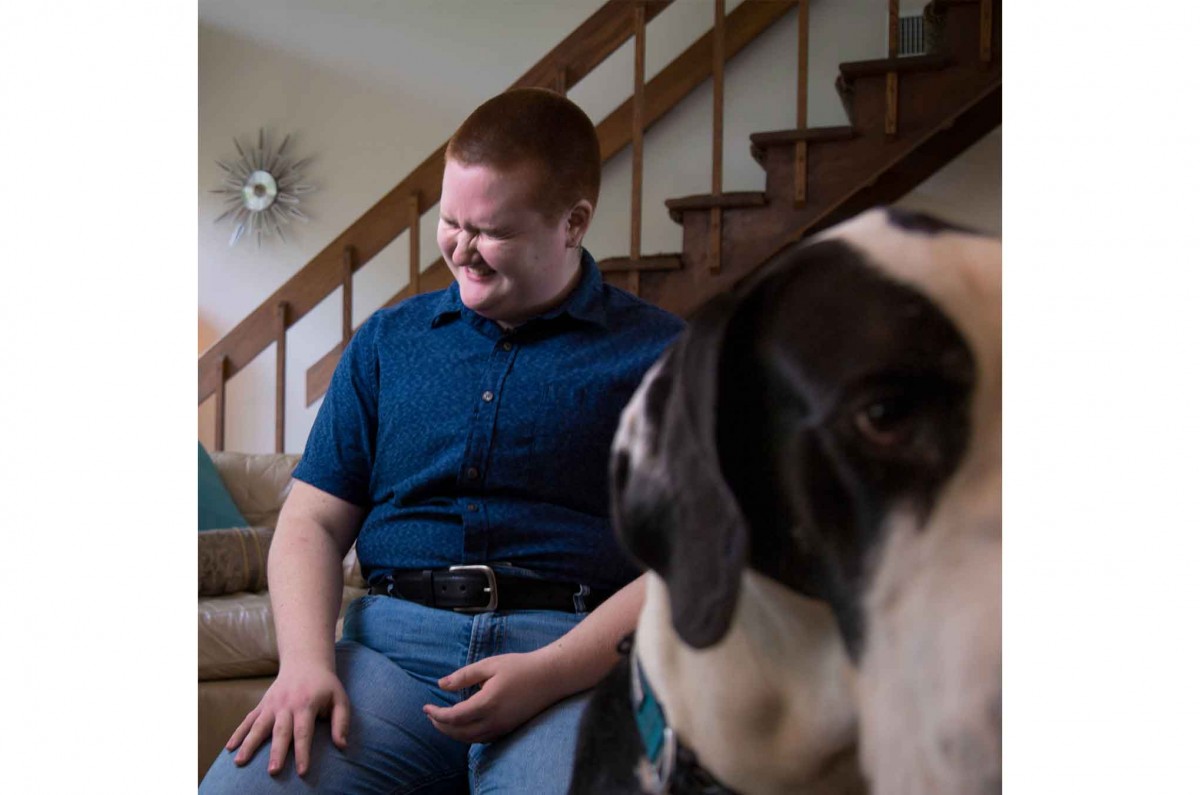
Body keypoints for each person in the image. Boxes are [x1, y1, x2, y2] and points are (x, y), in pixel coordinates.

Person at [199, 87, 684, 793]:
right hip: (387, 656)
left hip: (574, 661)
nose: (462, 248)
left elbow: (690, 562)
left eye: (491, 231)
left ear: (573, 222)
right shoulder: (387, 343)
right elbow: (309, 521)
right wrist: (305, 664)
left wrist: (549, 672)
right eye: (450, 222)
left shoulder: (664, 358)